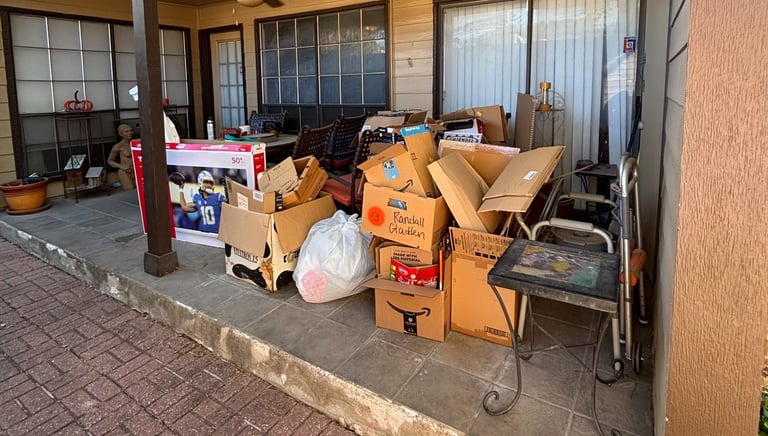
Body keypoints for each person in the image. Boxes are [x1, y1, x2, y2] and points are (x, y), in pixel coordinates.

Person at [107, 124, 135, 190]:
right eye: (126, 131)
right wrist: (122, 166)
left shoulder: (135, 143)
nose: (130, 133)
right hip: (125, 172)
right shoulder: (118, 146)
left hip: (136, 171)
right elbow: (110, 161)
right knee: (130, 191)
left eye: (131, 131)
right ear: (121, 134)